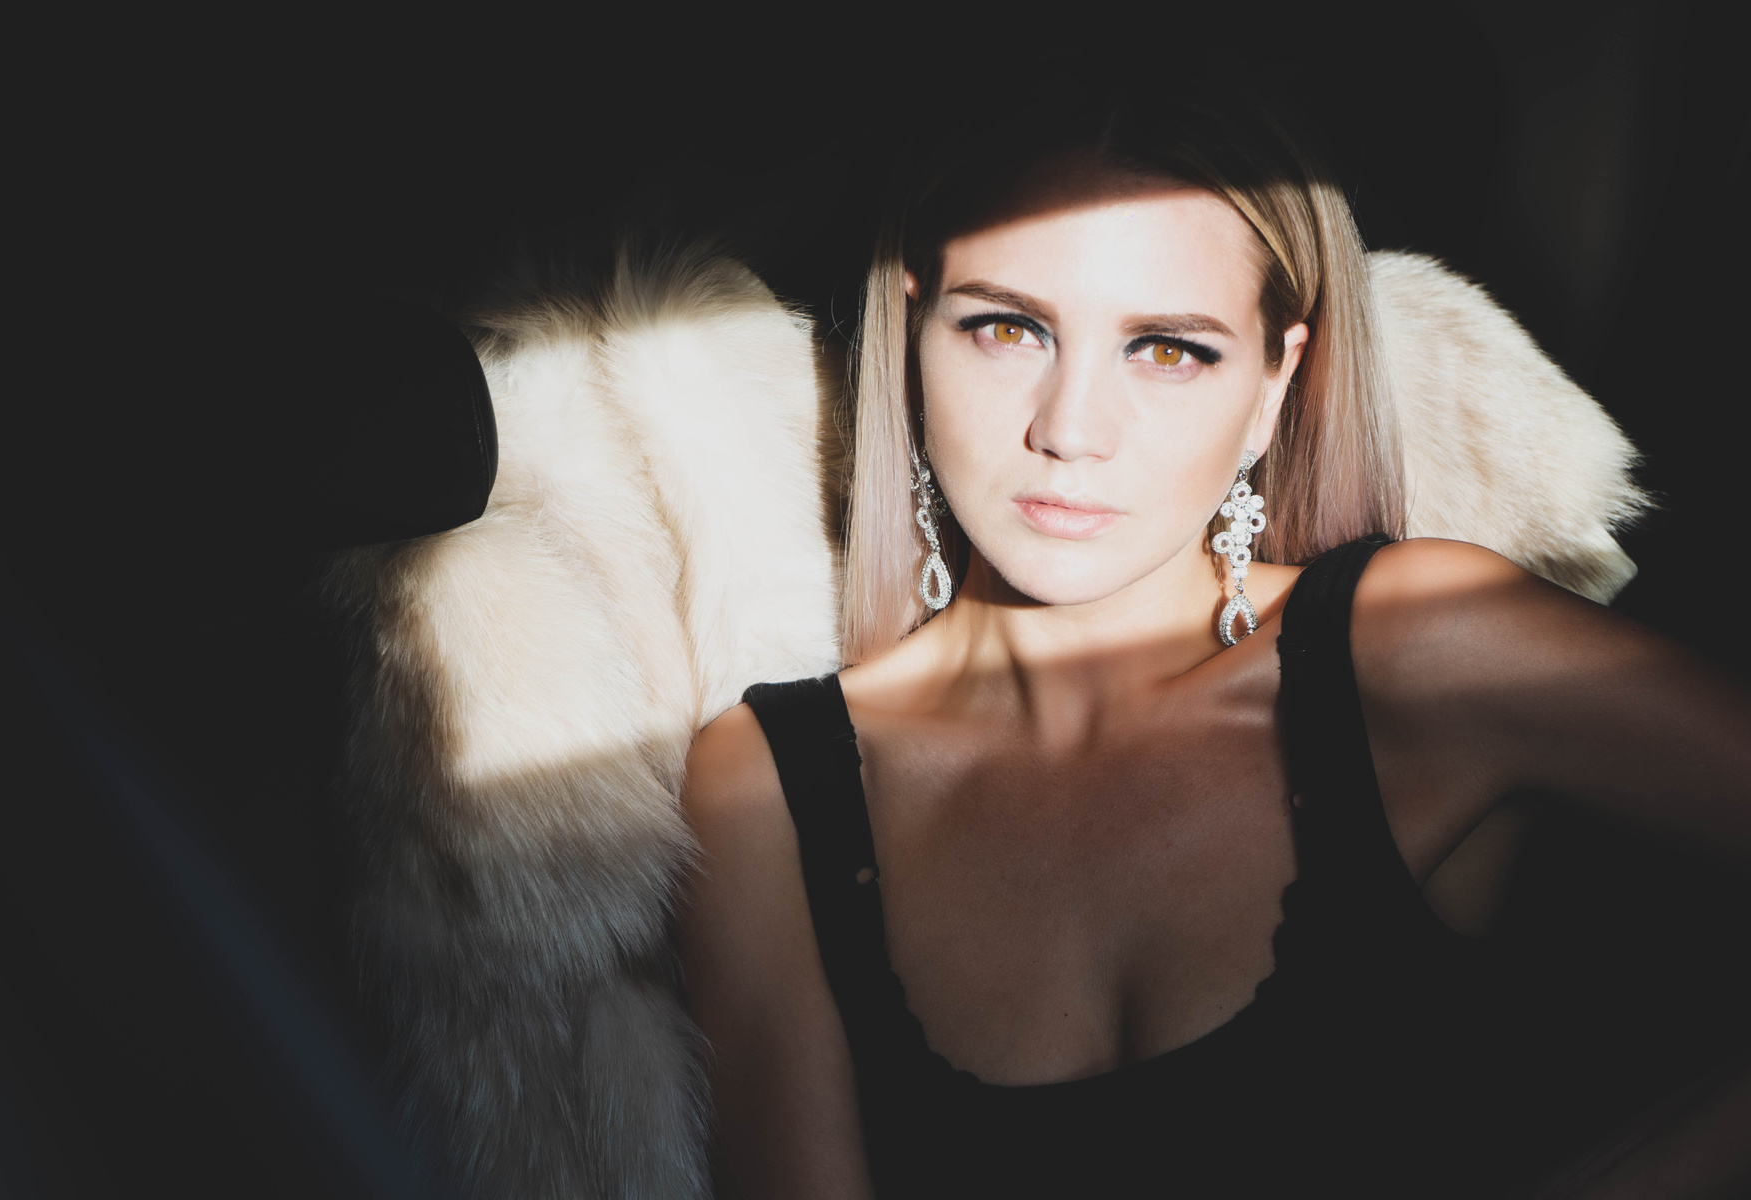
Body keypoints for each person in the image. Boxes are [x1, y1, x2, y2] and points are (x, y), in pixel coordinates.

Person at [675, 79, 1751, 1198]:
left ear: (1275, 385)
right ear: (913, 332)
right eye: (1007, 327)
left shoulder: (1418, 645)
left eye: (1168, 350)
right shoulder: (763, 786)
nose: (1071, 431)